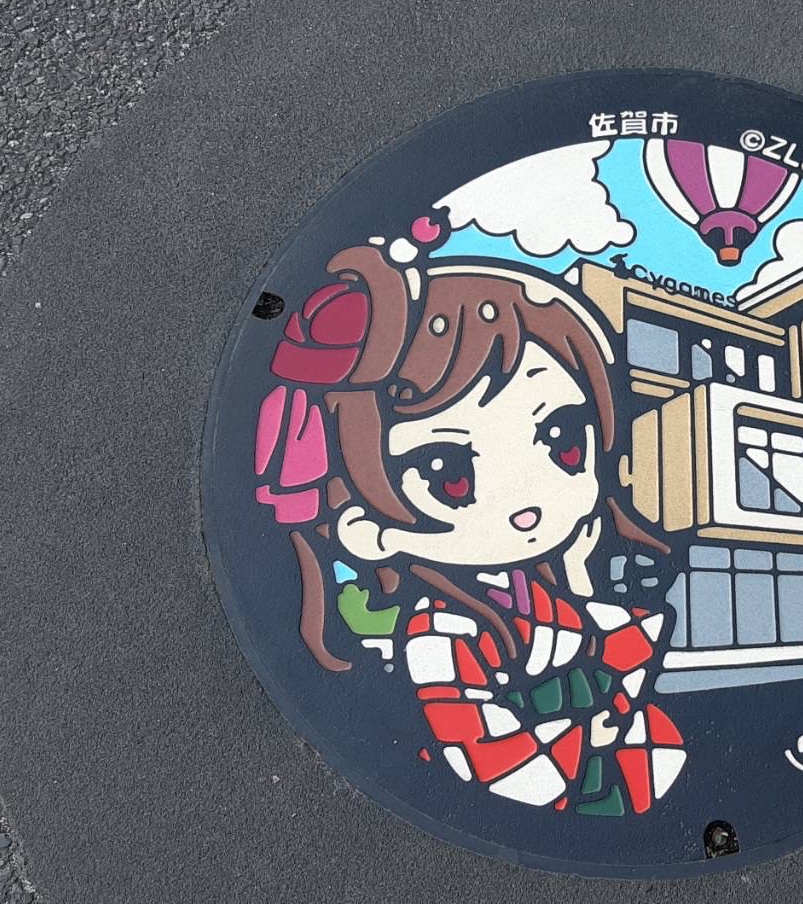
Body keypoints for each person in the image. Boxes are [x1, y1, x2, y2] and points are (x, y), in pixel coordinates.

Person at [253, 228, 684, 816]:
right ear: (365, 530)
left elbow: (622, 677)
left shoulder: (542, 592)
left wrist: (581, 587)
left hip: (605, 770)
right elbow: (515, 773)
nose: (528, 494)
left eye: (562, 439)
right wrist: (602, 720)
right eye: (448, 472)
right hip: (567, 793)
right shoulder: (441, 634)